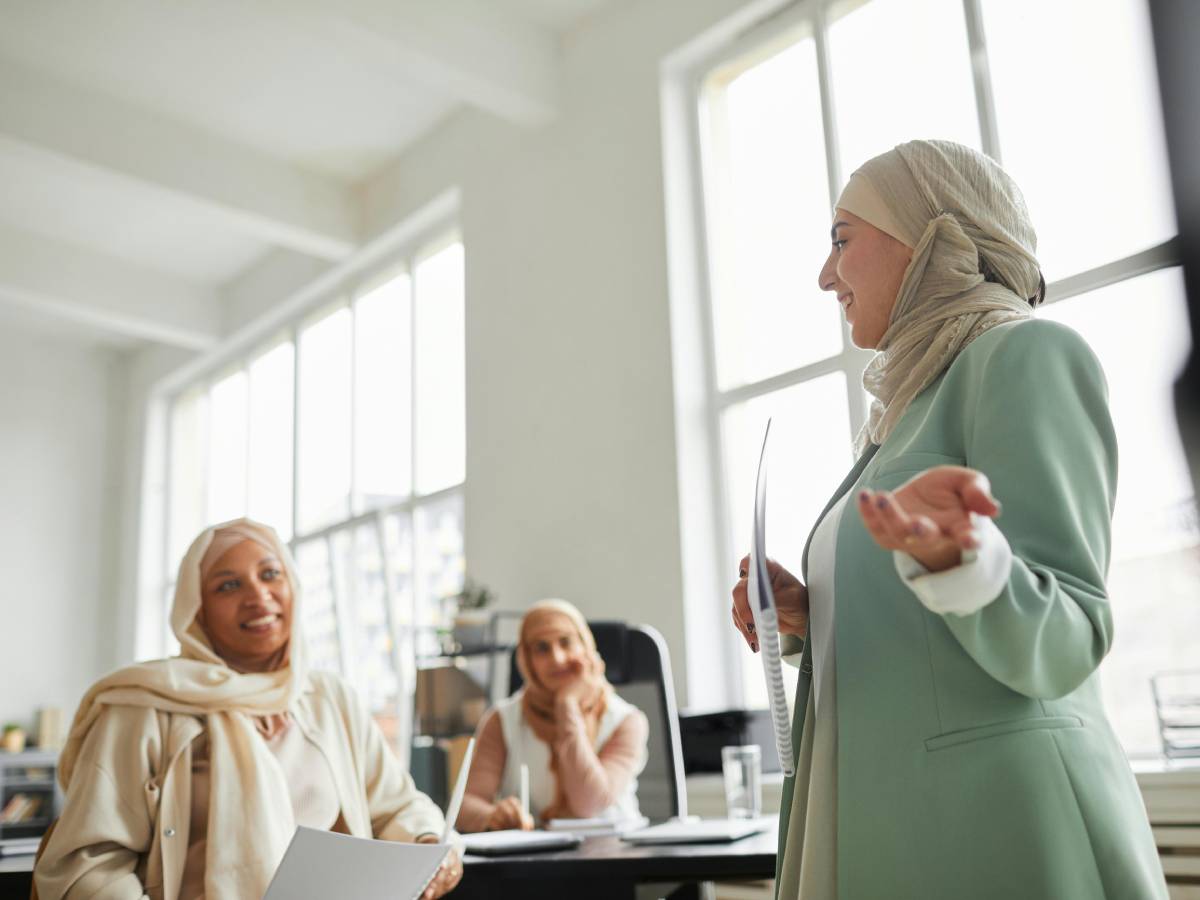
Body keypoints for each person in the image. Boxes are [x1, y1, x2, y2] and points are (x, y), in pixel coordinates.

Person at [730, 140, 1167, 898]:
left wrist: (961, 563)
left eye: (841, 240)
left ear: (929, 234)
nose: (825, 275)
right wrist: (808, 619)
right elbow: (919, 640)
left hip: (997, 830)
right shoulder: (900, 414)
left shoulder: (1022, 354)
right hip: (886, 822)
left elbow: (1069, 633)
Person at [35, 518, 462, 900]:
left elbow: (397, 805)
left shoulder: (329, 697)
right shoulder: (143, 707)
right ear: (196, 610)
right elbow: (88, 865)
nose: (258, 596)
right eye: (228, 585)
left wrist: (428, 843)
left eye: (271, 574)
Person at [456, 599, 649, 831]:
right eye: (542, 648)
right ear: (527, 659)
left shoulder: (626, 720)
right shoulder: (501, 720)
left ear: (585, 646)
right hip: (533, 860)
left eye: (566, 642)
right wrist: (493, 816)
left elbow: (589, 804)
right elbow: (466, 805)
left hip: (611, 856)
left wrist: (566, 706)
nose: (557, 658)